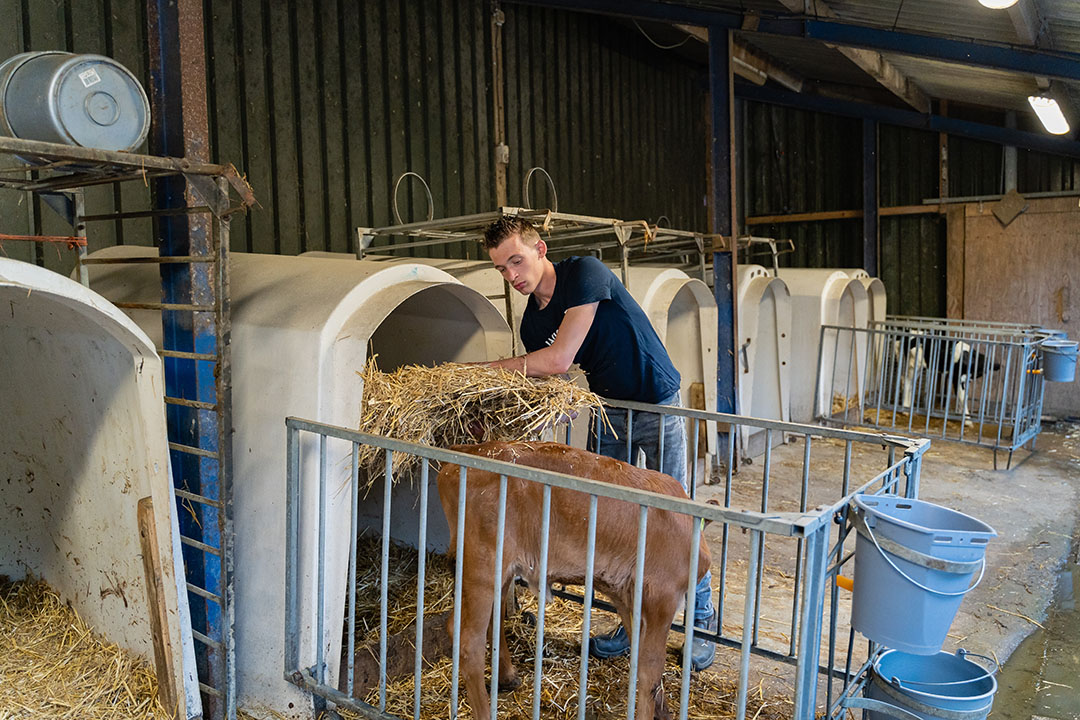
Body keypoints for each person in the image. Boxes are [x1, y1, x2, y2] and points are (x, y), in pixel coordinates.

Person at [479, 215, 716, 671]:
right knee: (613, 514)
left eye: (516, 262)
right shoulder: (533, 325)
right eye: (501, 270)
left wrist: (482, 371)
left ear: (540, 250)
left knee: (677, 513)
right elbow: (556, 381)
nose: (512, 277)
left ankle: (699, 621)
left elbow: (559, 359)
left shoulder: (584, 273)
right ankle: (632, 622)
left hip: (655, 401)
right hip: (608, 408)